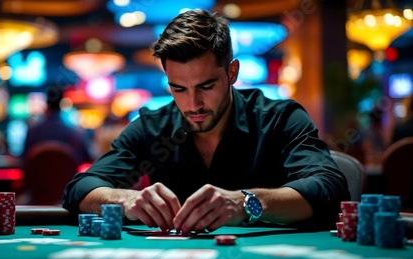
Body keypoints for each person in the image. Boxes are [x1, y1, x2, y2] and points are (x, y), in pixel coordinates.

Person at [62, 9, 349, 233]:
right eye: (179, 89)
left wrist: (246, 203)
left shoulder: (281, 119)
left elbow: (331, 189)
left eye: (206, 86)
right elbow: (80, 190)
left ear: (232, 73)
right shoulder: (152, 127)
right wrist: (128, 201)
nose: (193, 104)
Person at [22, 86, 91, 165]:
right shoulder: (76, 134)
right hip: (70, 177)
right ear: (61, 104)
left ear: (46, 104)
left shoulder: (32, 132)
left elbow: (24, 160)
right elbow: (86, 160)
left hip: (38, 177)